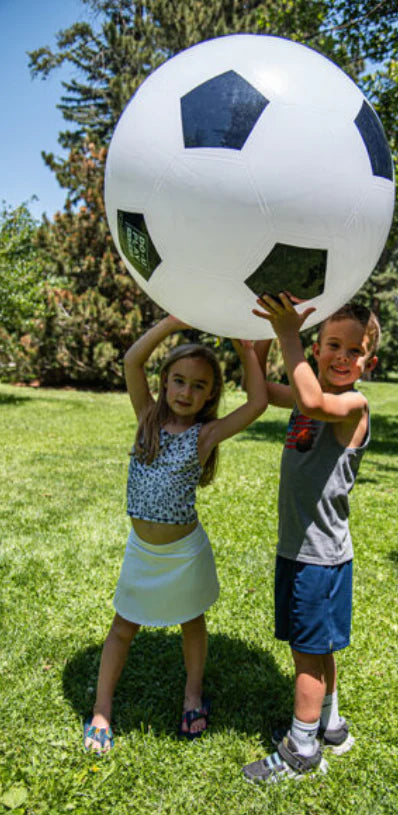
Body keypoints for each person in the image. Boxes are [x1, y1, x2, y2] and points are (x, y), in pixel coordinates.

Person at [84, 315, 267, 754]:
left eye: (198, 386)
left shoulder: (205, 434)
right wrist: (175, 321)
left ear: (210, 395)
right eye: (179, 381)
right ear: (164, 383)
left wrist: (245, 349)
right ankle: (101, 709)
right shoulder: (147, 416)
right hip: (142, 553)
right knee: (123, 626)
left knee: (191, 622)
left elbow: (258, 403)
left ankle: (192, 694)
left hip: (184, 554)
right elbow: (132, 360)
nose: (186, 392)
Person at [242, 294, 380, 783]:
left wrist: (287, 335)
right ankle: (332, 725)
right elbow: (257, 392)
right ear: (318, 350)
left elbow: (312, 400)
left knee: (305, 653)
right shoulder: (310, 394)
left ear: (369, 362)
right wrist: (250, 349)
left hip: (319, 557)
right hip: (301, 550)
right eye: (333, 345)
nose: (343, 357)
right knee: (319, 648)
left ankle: (302, 751)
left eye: (355, 351)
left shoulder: (351, 405)